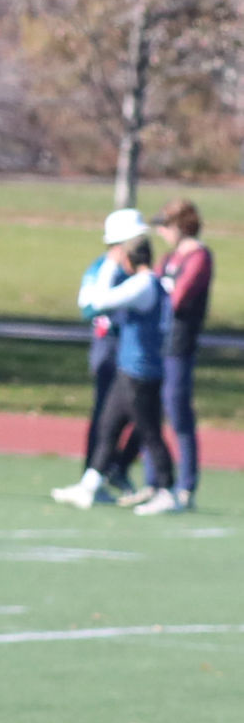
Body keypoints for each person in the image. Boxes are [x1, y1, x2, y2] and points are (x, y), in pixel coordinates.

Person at [54, 232, 174, 510]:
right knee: (108, 427)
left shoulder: (142, 285)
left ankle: (167, 490)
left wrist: (109, 264)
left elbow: (100, 301)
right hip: (128, 370)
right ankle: (90, 485)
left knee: (150, 433)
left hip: (141, 373)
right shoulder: (145, 283)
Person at [76, 208, 144, 492]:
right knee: (105, 414)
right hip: (109, 349)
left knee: (142, 414)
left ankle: (116, 468)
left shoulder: (136, 268)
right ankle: (94, 473)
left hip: (134, 349)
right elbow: (87, 306)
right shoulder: (103, 268)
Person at [155, 198, 213, 512]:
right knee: (150, 412)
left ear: (181, 225)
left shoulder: (198, 257)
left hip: (179, 344)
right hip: (156, 342)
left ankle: (186, 485)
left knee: (177, 412)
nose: (161, 232)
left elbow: (177, 298)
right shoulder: (168, 258)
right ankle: (155, 482)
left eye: (165, 225)